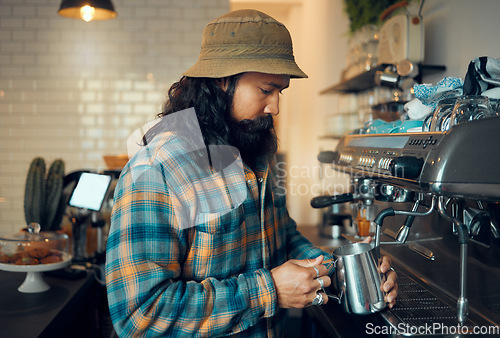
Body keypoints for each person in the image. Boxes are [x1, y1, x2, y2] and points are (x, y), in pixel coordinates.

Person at [105, 9, 397, 337]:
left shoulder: (254, 152)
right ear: (221, 81)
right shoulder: (159, 167)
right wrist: (268, 290)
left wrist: (346, 271)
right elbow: (140, 315)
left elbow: (281, 237)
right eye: (265, 90)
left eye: (279, 92)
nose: (275, 107)